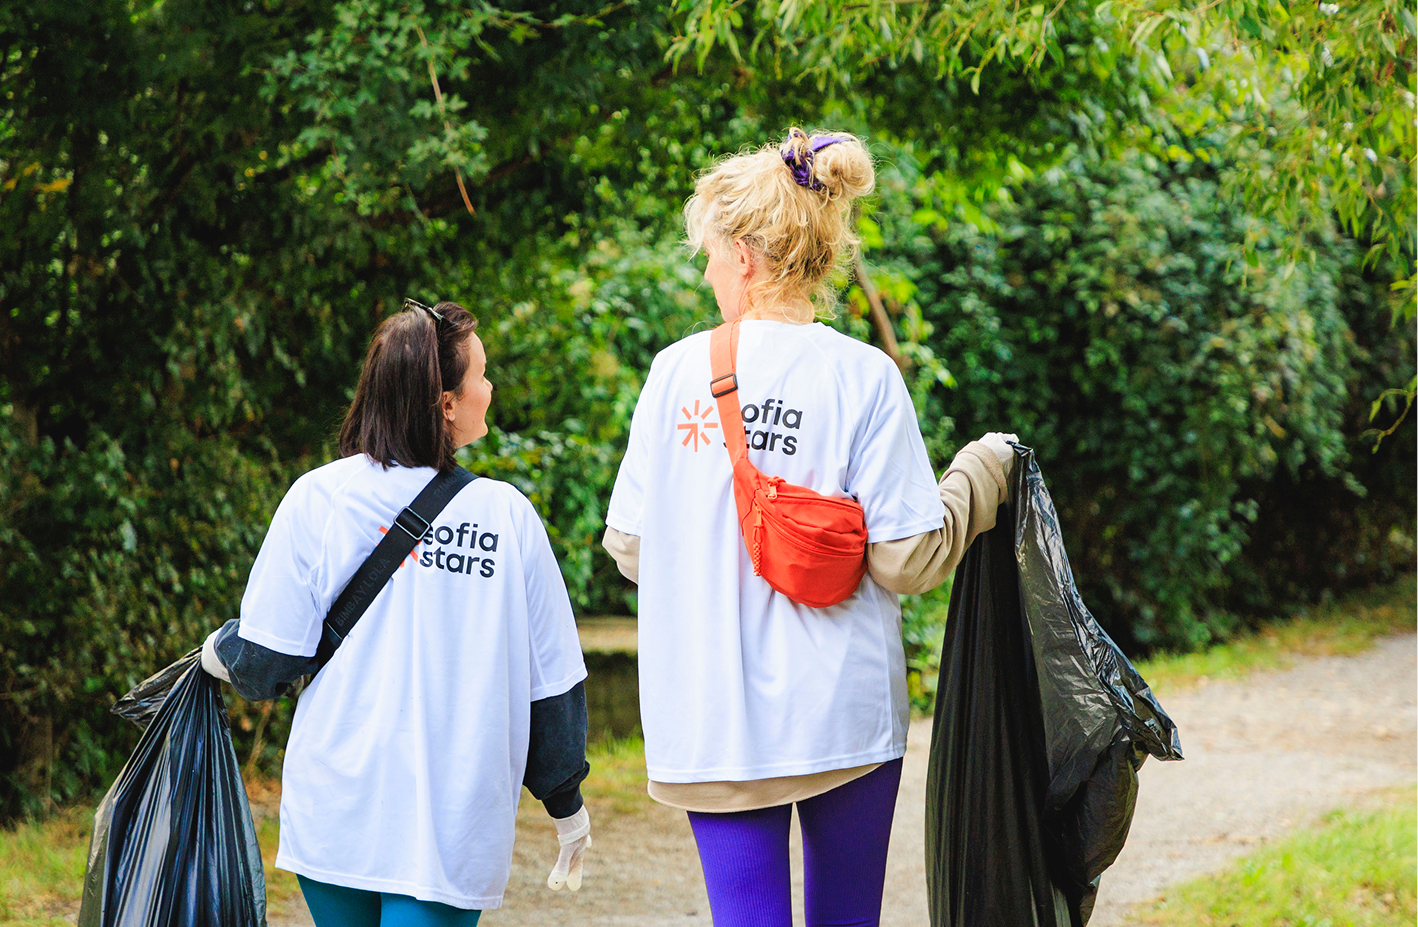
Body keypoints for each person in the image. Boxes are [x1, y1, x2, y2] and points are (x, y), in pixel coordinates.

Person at [602, 129, 1017, 927]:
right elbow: (904, 558)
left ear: (748, 258)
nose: (711, 271)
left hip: (713, 715)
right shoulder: (864, 377)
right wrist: (980, 476)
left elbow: (632, 546)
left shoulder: (674, 373)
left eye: (714, 255)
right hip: (842, 714)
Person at [199, 300, 592, 926]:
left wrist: (217, 653)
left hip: (335, 808)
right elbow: (551, 682)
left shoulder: (318, 497)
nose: (489, 389)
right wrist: (565, 798)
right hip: (449, 819)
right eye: (481, 376)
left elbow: (267, 661)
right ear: (445, 404)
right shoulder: (506, 516)